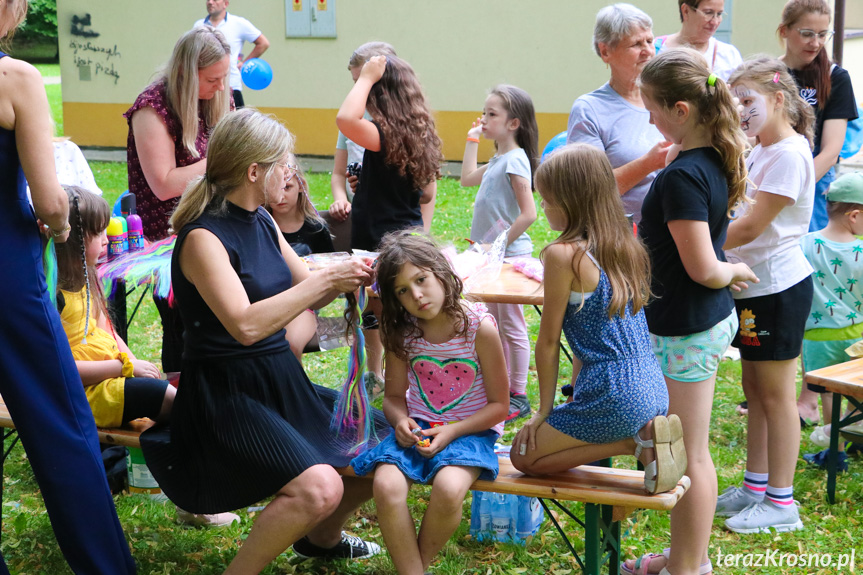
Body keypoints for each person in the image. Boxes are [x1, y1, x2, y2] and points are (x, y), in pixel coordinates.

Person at [139, 108, 388, 574]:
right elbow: (246, 325)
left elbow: (303, 283)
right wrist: (325, 283)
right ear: (255, 172)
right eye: (284, 163)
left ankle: (320, 540)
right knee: (320, 488)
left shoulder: (261, 221)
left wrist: (359, 275)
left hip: (278, 378)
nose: (291, 172)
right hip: (227, 394)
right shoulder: (203, 238)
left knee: (385, 447)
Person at [0, 0, 136, 572]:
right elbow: (54, 199)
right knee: (62, 422)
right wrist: (56, 225)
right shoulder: (16, 78)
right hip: (7, 273)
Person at [626, 48, 757, 574]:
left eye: (654, 109)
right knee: (680, 451)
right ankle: (684, 558)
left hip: (688, 327)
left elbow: (704, 267)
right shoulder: (706, 160)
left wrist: (734, 271)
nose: (650, 119)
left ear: (681, 109)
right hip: (689, 322)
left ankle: (688, 568)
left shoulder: (682, 176)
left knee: (689, 456)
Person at [510, 144, 684, 498]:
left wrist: (543, 410)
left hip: (612, 391)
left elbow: (547, 342)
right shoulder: (625, 245)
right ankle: (642, 434)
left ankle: (632, 443)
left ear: (571, 201)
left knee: (522, 457)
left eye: (547, 199)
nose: (542, 207)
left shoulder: (563, 255)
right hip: (651, 385)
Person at [350, 230, 509, 575]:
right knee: (385, 484)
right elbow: (393, 398)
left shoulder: (478, 327)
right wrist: (400, 421)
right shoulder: (403, 333)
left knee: (449, 488)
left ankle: (414, 567)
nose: (417, 296)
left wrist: (452, 431)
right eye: (403, 291)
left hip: (471, 431)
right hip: (419, 428)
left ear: (441, 271)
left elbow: (500, 406)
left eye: (421, 280)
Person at [717, 58, 815, 534]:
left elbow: (753, 226)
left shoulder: (790, 154)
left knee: (777, 398)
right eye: (735, 103)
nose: (741, 112)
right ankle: (755, 487)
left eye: (748, 101)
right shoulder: (760, 149)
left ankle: (782, 502)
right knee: (754, 392)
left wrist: (696, 245)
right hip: (754, 289)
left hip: (779, 290)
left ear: (779, 99)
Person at [124, 26, 232, 374]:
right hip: (167, 239)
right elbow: (164, 184)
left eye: (224, 77)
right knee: (182, 329)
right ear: (185, 72)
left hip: (217, 228)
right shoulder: (151, 108)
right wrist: (225, 159)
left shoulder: (219, 96)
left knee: (220, 321)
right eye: (213, 78)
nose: (221, 87)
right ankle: (180, 404)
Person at [336, 53, 443, 393]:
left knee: (380, 308)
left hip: (382, 240)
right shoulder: (416, 132)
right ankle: (407, 376)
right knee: (400, 309)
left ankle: (391, 377)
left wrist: (367, 76)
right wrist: (370, 183)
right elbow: (425, 194)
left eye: (367, 90)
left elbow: (345, 118)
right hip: (405, 235)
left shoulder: (381, 132)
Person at [778, 0, 859, 424]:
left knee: (813, 293)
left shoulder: (835, 78)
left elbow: (831, 149)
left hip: (812, 193)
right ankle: (776, 389)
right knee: (779, 292)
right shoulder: (769, 75)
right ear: (785, 32)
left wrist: (795, 185)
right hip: (770, 193)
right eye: (807, 33)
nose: (815, 42)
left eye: (822, 34)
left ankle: (811, 395)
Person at [56, 186, 175, 429]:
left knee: (176, 394)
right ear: (73, 239)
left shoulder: (89, 276)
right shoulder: (53, 294)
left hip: (109, 378)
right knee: (171, 400)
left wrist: (132, 365)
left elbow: (108, 331)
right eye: (98, 233)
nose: (107, 240)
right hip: (81, 393)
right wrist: (124, 367)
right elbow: (60, 367)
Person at [461, 85, 538, 421]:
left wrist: (498, 243)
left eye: (492, 114)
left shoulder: (516, 160)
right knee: (494, 323)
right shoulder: (499, 159)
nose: (485, 118)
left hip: (509, 258)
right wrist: (472, 139)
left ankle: (518, 395)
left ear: (513, 124)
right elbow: (465, 179)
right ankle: (502, 388)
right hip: (492, 257)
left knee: (511, 325)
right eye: (485, 112)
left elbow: (529, 213)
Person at [567, 3, 671, 224]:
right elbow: (588, 191)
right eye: (636, 44)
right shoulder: (589, 109)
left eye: (650, 41)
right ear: (605, 51)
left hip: (673, 239)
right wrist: (649, 163)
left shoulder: (671, 98)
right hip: (621, 244)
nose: (648, 51)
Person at [799, 172, 863, 472]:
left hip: (817, 338)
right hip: (858, 337)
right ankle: (856, 434)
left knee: (828, 394)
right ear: (854, 215)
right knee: (854, 389)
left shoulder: (804, 244)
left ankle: (835, 454)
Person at [267, 164, 335, 361]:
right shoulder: (259, 224)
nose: (281, 196)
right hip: (265, 300)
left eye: (287, 187)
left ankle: (292, 390)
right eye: (275, 188)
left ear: (300, 187)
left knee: (290, 344)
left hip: (303, 304)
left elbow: (330, 264)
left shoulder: (315, 228)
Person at [329, 41, 398, 223]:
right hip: (361, 216)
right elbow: (338, 173)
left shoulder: (404, 121)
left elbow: (426, 190)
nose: (360, 88)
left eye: (365, 80)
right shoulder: (354, 116)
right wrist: (341, 200)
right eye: (356, 82)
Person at [194, 0, 269, 109]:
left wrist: (244, 63)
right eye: (208, 0)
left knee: (235, 125)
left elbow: (263, 43)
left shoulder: (238, 23)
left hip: (232, 86)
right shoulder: (199, 25)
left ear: (226, 4)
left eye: (215, 0)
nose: (210, 2)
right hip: (206, 88)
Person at [654, 0, 743, 82]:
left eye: (719, 14)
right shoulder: (654, 49)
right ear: (685, 11)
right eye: (708, 13)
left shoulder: (729, 55)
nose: (715, 22)